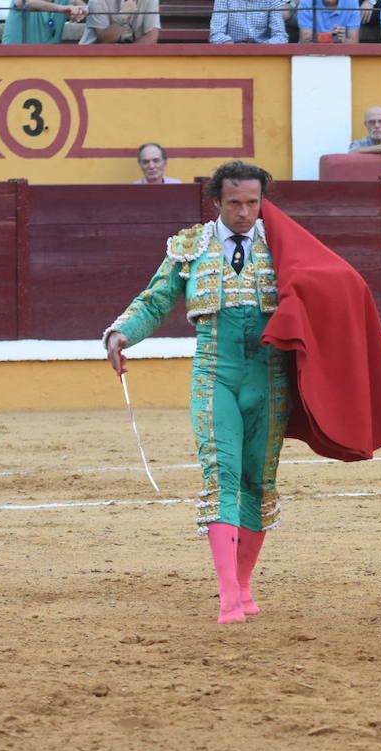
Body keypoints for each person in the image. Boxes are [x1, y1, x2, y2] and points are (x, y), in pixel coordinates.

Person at [103, 162, 287, 626]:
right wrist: (122, 332)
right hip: (215, 375)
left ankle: (244, 585)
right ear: (216, 202)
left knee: (258, 482)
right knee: (221, 476)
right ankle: (228, 596)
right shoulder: (191, 246)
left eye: (252, 202)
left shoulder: (284, 243)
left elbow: (324, 293)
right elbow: (157, 298)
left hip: (270, 379)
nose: (244, 212)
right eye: (234, 203)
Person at [2, 0, 87, 43]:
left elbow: (77, 3)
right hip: (15, 58)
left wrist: (83, 9)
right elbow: (24, 3)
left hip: (48, 61)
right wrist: (61, 8)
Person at [79, 0, 158, 41]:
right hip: (93, 57)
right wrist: (123, 16)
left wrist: (125, 58)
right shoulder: (98, 1)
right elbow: (104, 40)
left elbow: (151, 37)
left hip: (132, 60)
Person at [210, 0, 287, 41]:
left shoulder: (273, 1)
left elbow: (280, 36)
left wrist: (261, 50)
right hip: (232, 51)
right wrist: (234, 49)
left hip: (264, 53)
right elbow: (216, 34)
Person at [297, 0, 361, 41]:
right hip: (310, 55)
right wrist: (330, 36)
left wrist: (344, 40)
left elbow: (354, 42)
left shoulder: (352, 2)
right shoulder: (306, 2)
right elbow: (306, 40)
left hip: (341, 54)